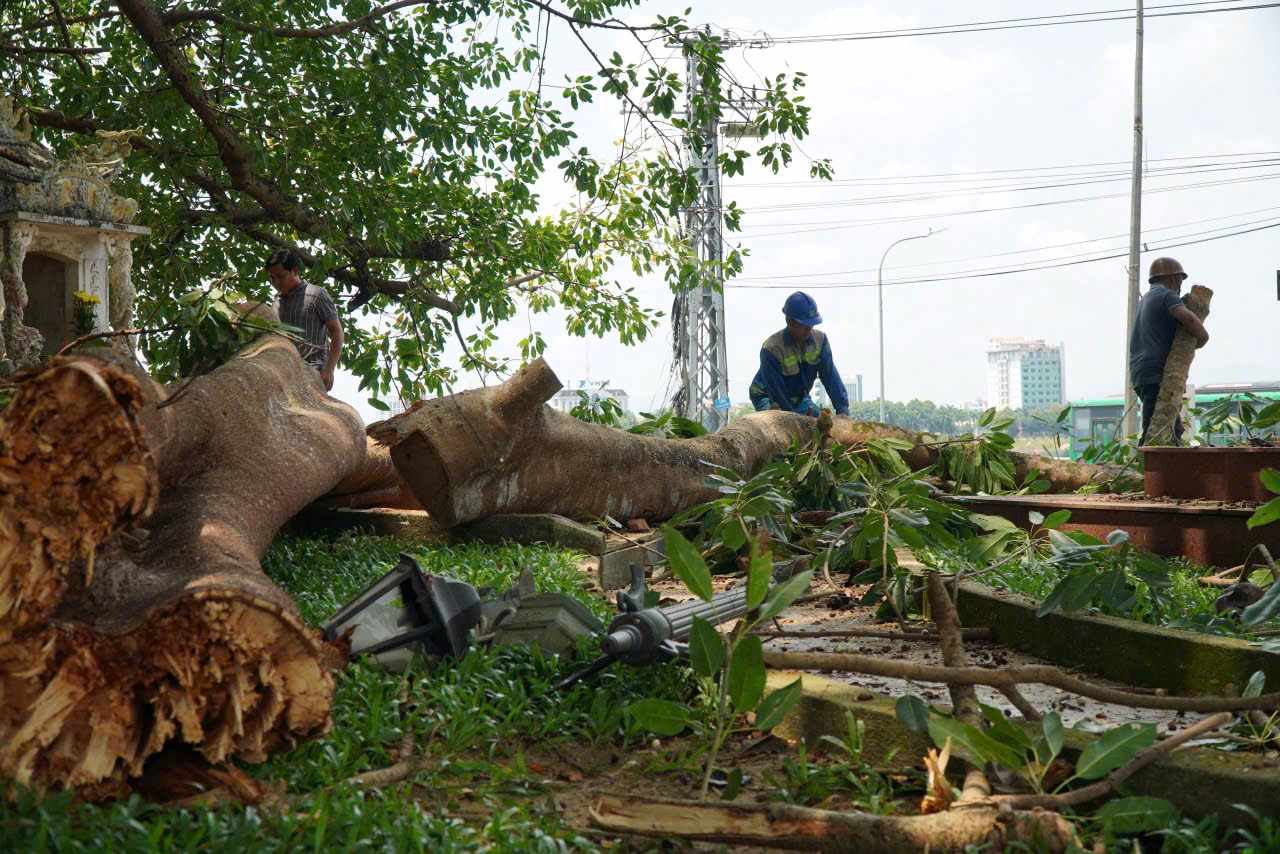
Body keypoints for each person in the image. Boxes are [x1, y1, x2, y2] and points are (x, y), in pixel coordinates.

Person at [1129, 256, 1209, 443]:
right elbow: (1186, 318)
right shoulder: (1166, 295)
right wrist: (1203, 336)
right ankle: (1147, 468)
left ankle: (1171, 466)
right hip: (1154, 373)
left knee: (1173, 427)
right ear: (1173, 278)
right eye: (1180, 280)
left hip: (1141, 373)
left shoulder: (1147, 298)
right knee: (1154, 431)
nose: (1180, 285)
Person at [748, 291, 849, 417]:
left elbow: (830, 376)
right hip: (768, 395)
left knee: (820, 425)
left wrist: (843, 410)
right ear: (790, 322)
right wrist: (795, 420)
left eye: (811, 324)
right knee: (780, 425)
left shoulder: (820, 341)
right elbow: (778, 393)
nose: (809, 329)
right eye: (804, 324)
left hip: (799, 397)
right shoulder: (771, 349)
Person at [265, 249, 343, 391]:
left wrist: (329, 369)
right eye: (271, 278)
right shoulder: (276, 302)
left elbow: (336, 332)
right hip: (284, 371)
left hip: (313, 370)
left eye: (280, 276)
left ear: (295, 271)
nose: (275, 282)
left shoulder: (317, 295)